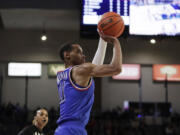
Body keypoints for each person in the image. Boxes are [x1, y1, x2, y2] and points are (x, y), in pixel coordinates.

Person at [55, 31, 122, 135]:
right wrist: (115, 42)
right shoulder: (79, 71)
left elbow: (95, 66)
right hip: (72, 130)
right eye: (78, 52)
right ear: (67, 55)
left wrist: (102, 40)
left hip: (64, 129)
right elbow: (116, 68)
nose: (83, 55)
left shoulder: (62, 74)